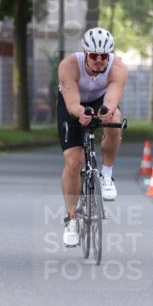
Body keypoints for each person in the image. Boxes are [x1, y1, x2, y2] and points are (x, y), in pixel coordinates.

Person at [57, 27, 128, 247]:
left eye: (103, 56)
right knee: (74, 161)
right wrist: (81, 113)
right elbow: (72, 104)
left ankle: (107, 174)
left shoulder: (118, 68)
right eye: (94, 55)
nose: (99, 60)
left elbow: (112, 98)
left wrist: (107, 111)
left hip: (100, 100)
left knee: (114, 118)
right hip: (72, 103)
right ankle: (72, 219)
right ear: (85, 53)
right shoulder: (69, 65)